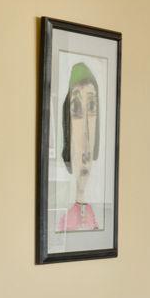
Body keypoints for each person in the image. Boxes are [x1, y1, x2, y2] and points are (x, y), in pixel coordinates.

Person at [57, 60, 102, 232]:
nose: (86, 134)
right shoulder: (64, 219)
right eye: (76, 109)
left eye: (91, 107)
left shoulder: (96, 214)